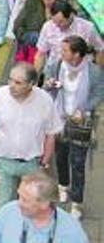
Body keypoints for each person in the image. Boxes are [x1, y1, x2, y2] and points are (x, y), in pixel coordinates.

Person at [0, 62, 62, 218]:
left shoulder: (45, 101)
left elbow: (51, 133)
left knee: (31, 208)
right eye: (10, 80)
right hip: (1, 162)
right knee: (0, 209)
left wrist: (45, 162)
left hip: (31, 164)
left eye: (18, 83)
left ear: (31, 84)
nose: (11, 85)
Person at [44, 36, 102, 219]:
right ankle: (63, 185)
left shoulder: (93, 71)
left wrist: (84, 109)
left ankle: (76, 203)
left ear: (77, 54)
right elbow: (48, 85)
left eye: (65, 50)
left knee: (77, 163)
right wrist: (49, 85)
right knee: (61, 156)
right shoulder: (57, 65)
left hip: (80, 124)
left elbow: (99, 93)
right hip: (59, 119)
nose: (62, 53)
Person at [0, 171, 90, 242]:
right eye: (19, 196)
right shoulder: (8, 212)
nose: (18, 203)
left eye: (25, 199)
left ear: (44, 204)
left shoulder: (71, 232)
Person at [34, 1, 104, 77]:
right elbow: (41, 54)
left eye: (61, 22)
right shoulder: (48, 26)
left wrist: (99, 73)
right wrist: (35, 80)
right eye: (54, 22)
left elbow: (100, 49)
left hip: (81, 72)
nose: (57, 25)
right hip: (55, 71)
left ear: (71, 16)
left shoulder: (87, 27)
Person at [12, 0, 62, 64]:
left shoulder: (61, 9)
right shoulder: (31, 4)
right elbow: (17, 27)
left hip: (51, 57)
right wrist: (31, 38)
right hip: (30, 52)